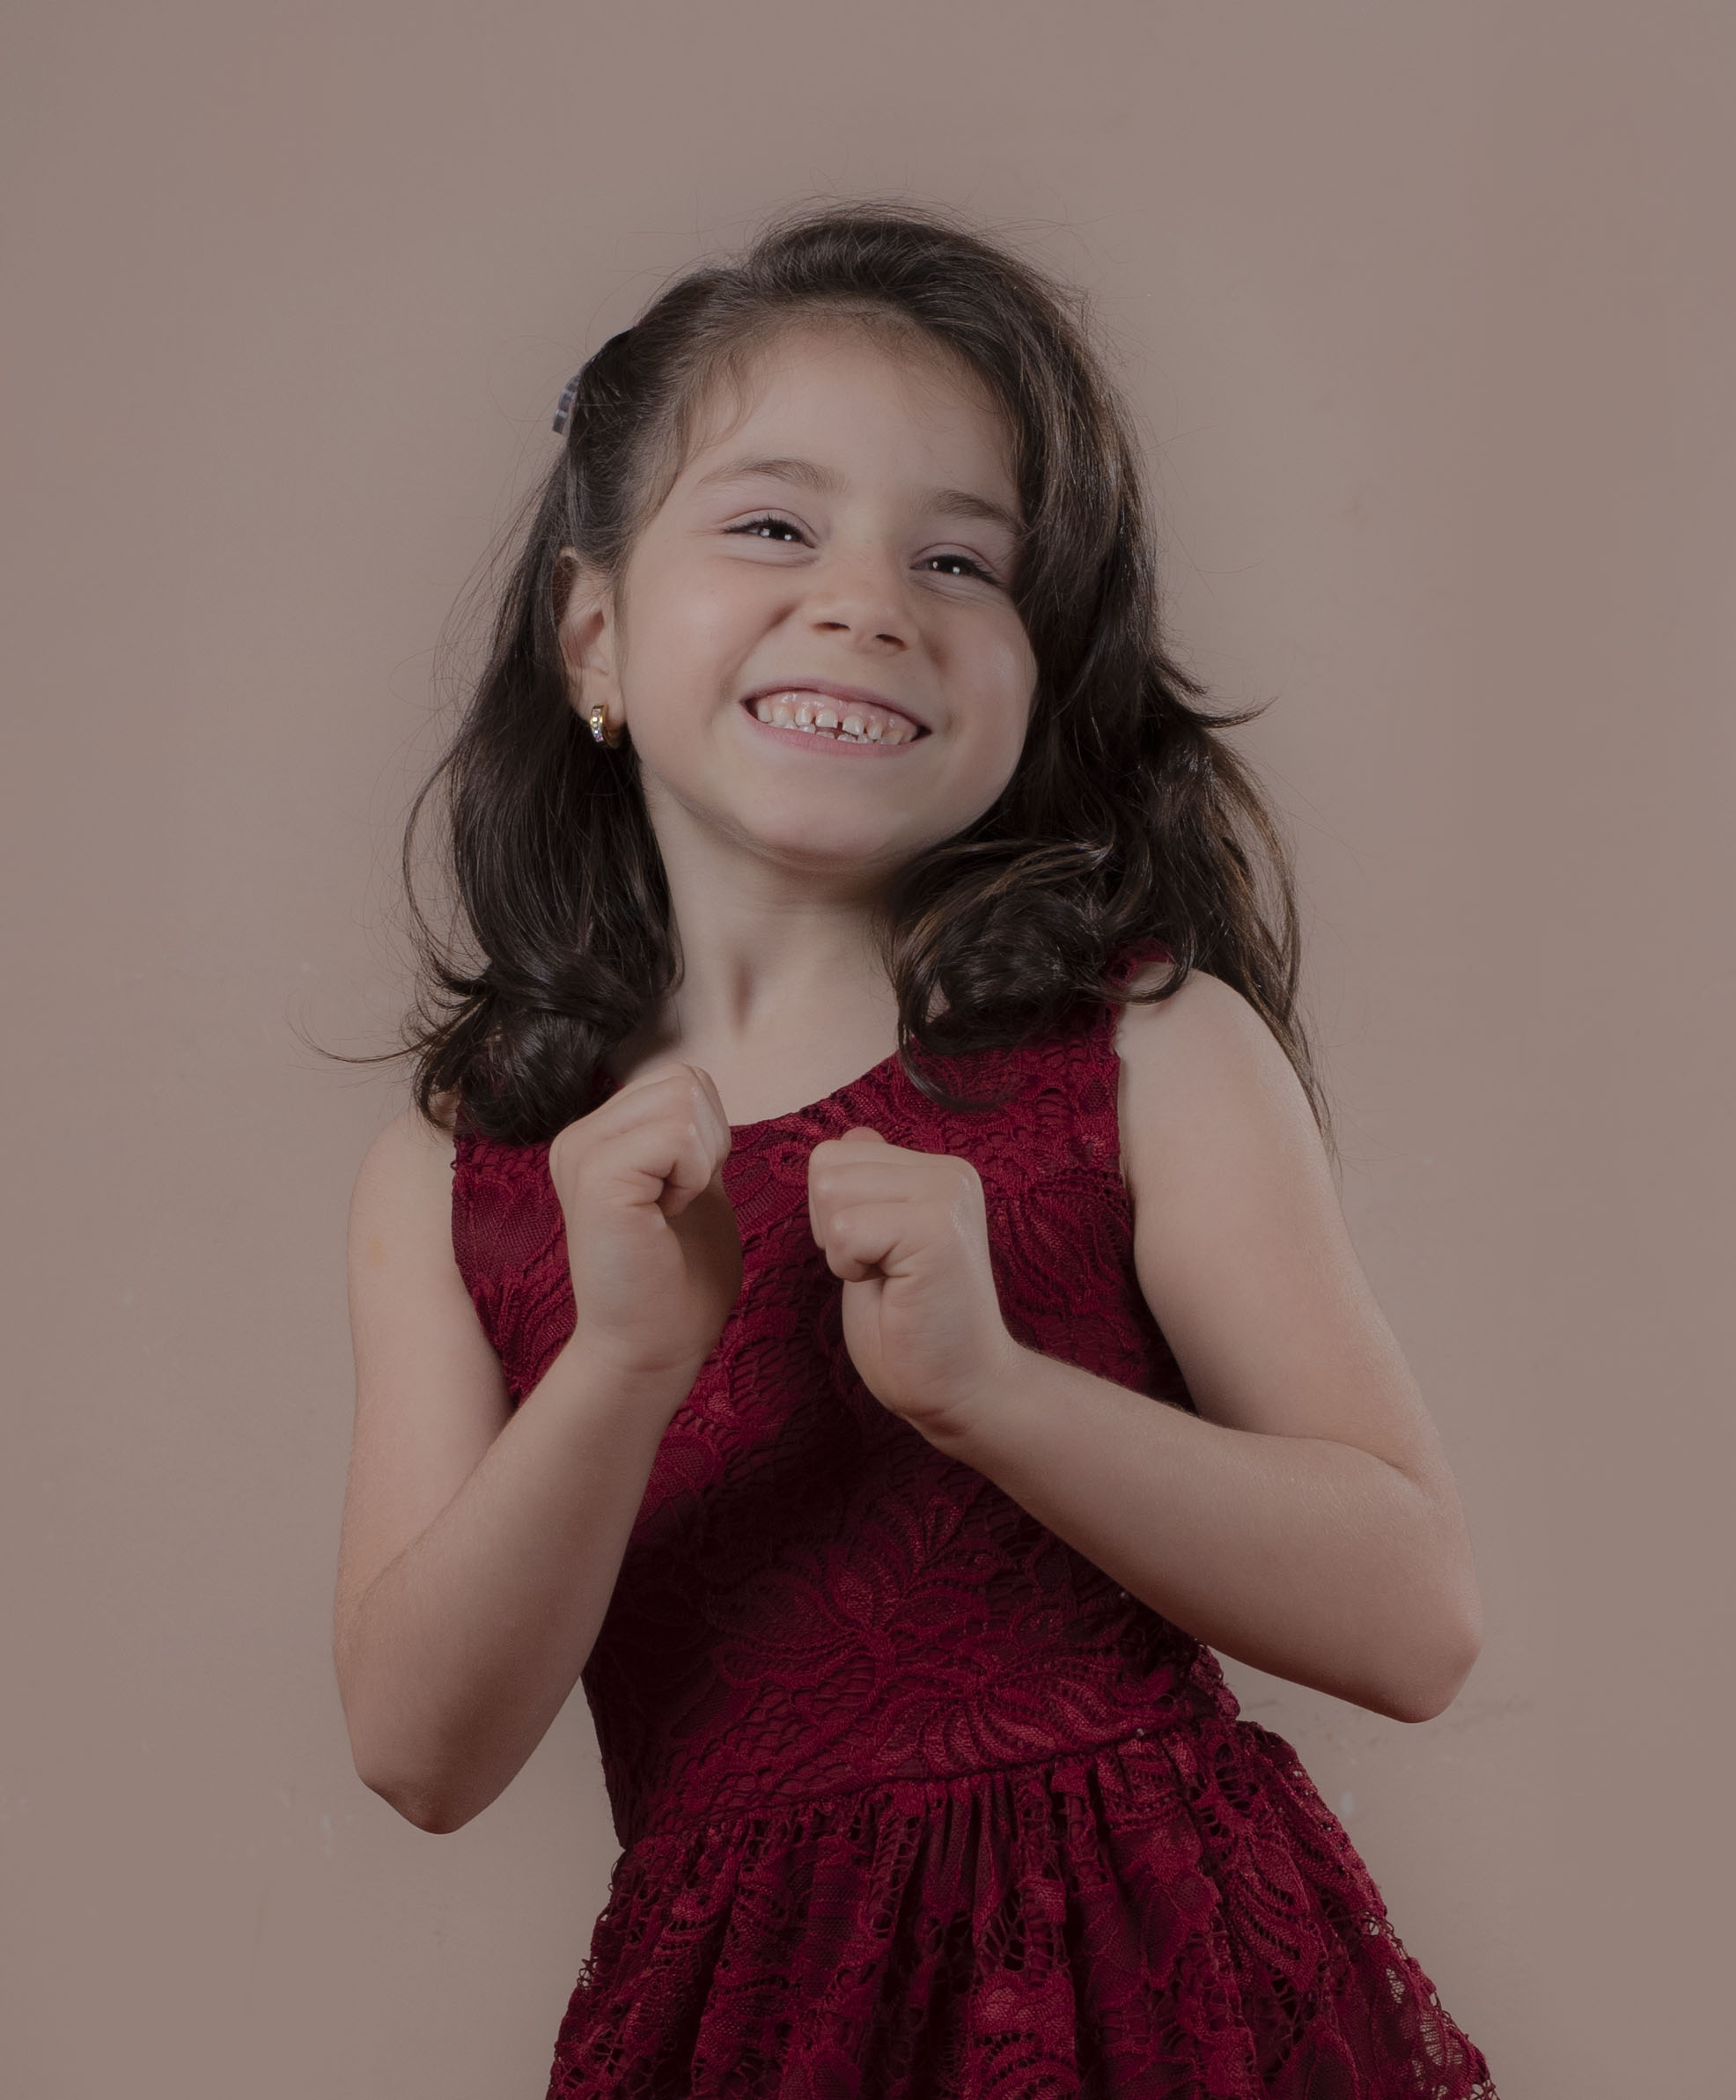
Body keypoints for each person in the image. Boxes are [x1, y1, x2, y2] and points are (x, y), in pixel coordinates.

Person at [334, 202, 1498, 2097]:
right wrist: (620, 1363)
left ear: (1037, 677)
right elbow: (418, 1745)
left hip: (1169, 2006)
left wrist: (992, 1391)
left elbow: (1414, 1617)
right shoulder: (461, 1171)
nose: (868, 601)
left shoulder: (1145, 1050)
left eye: (960, 559)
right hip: (750, 2036)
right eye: (773, 526)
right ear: (593, 631)